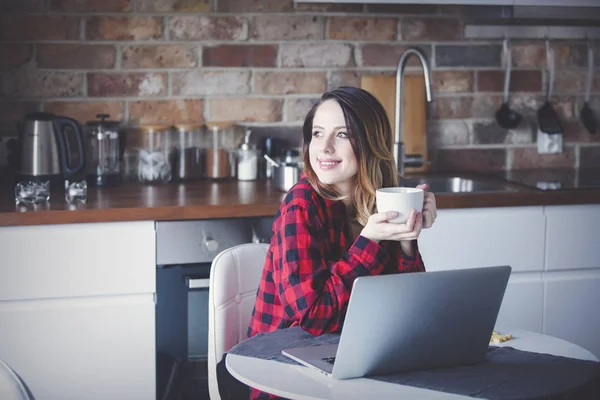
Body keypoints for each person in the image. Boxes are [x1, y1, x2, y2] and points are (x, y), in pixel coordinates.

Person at [219, 86, 438, 400]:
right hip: (285, 377)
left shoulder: (379, 204)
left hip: (353, 368)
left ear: (370, 143)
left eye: (343, 135)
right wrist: (370, 241)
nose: (324, 147)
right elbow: (314, 317)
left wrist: (406, 240)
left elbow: (406, 313)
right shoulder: (302, 204)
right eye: (318, 133)